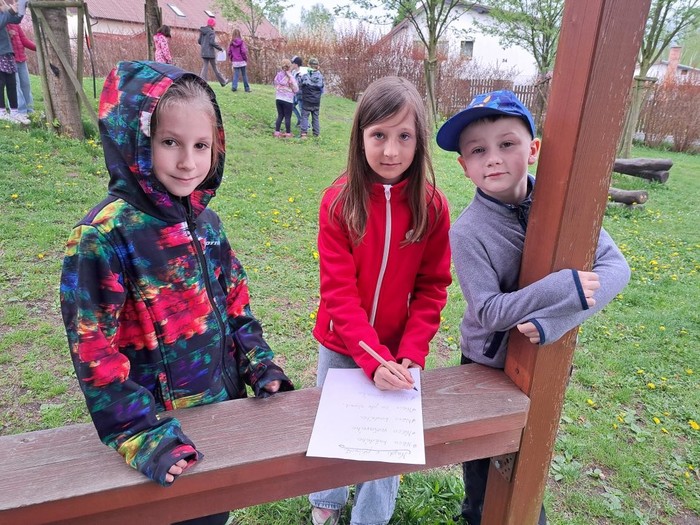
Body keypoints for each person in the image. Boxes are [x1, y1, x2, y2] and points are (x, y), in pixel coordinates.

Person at [59, 60, 294, 525]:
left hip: (220, 414)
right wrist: (141, 434)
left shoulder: (206, 224)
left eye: (201, 145)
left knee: (213, 513)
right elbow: (94, 354)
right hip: (160, 434)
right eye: (170, 143)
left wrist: (258, 363)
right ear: (135, 140)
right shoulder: (103, 237)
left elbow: (235, 305)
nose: (188, 162)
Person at [435, 89, 631, 525]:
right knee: (485, 469)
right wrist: (558, 288)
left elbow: (617, 268)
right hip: (486, 365)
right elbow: (489, 311)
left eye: (507, 144)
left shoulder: (564, 207)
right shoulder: (468, 232)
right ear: (464, 166)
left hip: (544, 356)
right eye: (478, 151)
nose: (493, 159)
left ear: (533, 149)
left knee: (530, 455)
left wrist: (555, 322)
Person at [309, 76, 452, 525]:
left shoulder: (433, 206)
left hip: (398, 347)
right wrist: (370, 359)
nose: (391, 151)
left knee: (388, 442)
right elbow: (338, 292)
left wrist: (411, 352)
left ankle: (370, 518)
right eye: (379, 135)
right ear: (360, 138)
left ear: (419, 141)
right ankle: (326, 500)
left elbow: (433, 286)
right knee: (335, 426)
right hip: (340, 342)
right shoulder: (338, 202)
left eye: (404, 136)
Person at [0, 1, 28, 124]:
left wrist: (21, 6)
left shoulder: (3, 14)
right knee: (0, 84)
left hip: (7, 52)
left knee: (11, 83)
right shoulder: (3, 15)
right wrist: (10, 11)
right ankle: (1, 112)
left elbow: (16, 20)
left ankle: (15, 112)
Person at [7, 22, 34, 115]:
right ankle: (20, 112)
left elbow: (24, 40)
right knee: (16, 86)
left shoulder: (15, 24)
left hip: (22, 60)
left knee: (26, 85)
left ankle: (30, 110)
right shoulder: (2, 24)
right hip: (10, 60)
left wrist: (37, 47)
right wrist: (7, 36)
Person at [198, 17, 228, 87]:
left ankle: (202, 81)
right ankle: (223, 82)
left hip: (204, 52)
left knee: (205, 66)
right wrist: (220, 48)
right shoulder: (212, 32)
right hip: (210, 53)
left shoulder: (202, 31)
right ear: (213, 24)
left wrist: (204, 45)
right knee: (215, 67)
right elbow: (212, 42)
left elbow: (199, 41)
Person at [299, 56, 324, 138]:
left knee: (305, 116)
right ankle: (316, 134)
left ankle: (304, 134)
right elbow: (322, 87)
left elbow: (300, 84)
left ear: (309, 65)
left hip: (307, 100)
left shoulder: (305, 75)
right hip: (316, 100)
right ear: (317, 66)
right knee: (315, 117)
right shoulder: (320, 76)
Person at [273, 58, 298, 138]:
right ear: (289, 67)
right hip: (287, 99)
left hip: (278, 98)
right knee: (287, 116)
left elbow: (275, 83)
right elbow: (296, 89)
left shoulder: (278, 75)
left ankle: (277, 132)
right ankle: (288, 133)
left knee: (280, 115)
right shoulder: (290, 77)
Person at [227, 28, 250, 92]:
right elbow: (243, 51)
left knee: (236, 75)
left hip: (235, 61)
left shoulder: (231, 43)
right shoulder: (241, 42)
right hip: (242, 61)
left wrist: (232, 58)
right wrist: (245, 58)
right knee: (244, 75)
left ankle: (234, 87)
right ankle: (247, 88)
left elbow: (229, 52)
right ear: (239, 34)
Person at [290, 55, 303, 125]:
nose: (292, 64)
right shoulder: (293, 72)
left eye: (293, 63)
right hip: (295, 94)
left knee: (302, 110)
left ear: (296, 64)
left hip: (301, 95)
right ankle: (300, 119)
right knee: (291, 106)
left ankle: (306, 125)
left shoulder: (302, 73)